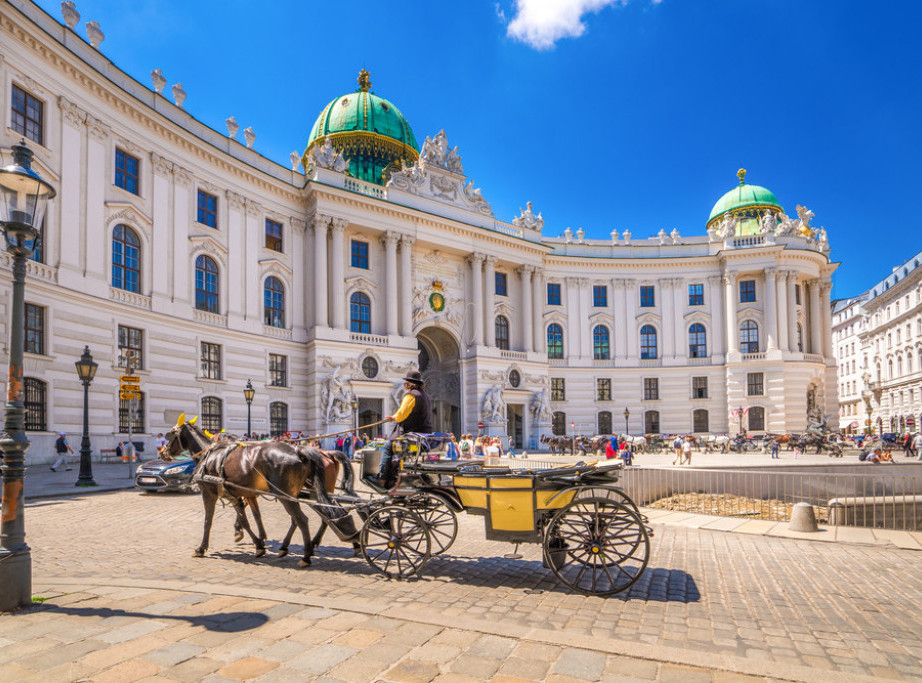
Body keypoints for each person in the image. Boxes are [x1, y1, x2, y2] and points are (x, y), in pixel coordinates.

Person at [373, 371, 433, 485]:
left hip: (411, 434)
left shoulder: (411, 395)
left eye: (407, 381)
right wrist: (395, 417)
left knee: (387, 448)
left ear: (411, 383)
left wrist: (394, 418)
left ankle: (382, 478)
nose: (405, 383)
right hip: (424, 434)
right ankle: (394, 475)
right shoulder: (425, 396)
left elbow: (401, 415)